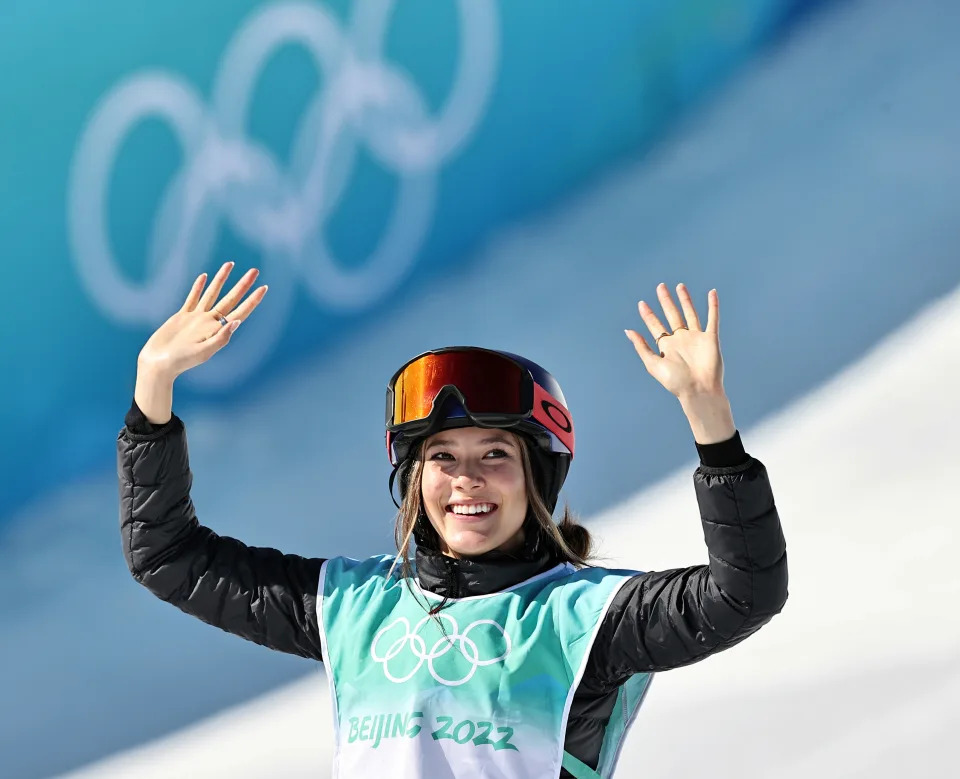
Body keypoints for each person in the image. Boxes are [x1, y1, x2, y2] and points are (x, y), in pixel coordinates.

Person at [118, 262, 788, 779]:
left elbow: (744, 592)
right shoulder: (353, 606)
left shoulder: (585, 618)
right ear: (414, 478)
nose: (467, 478)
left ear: (537, 476)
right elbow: (167, 555)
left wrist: (712, 425)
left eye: (496, 454)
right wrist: (154, 388)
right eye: (443, 456)